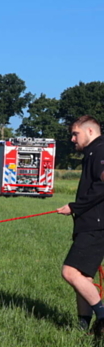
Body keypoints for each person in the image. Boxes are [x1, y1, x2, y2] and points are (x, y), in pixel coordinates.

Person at [57, 116, 104, 334]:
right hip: (88, 223)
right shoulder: (91, 153)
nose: (72, 138)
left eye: (75, 133)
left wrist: (75, 206)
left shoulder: (101, 151)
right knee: (83, 278)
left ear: (91, 132)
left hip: (96, 224)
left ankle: (102, 315)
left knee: (70, 272)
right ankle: (83, 327)